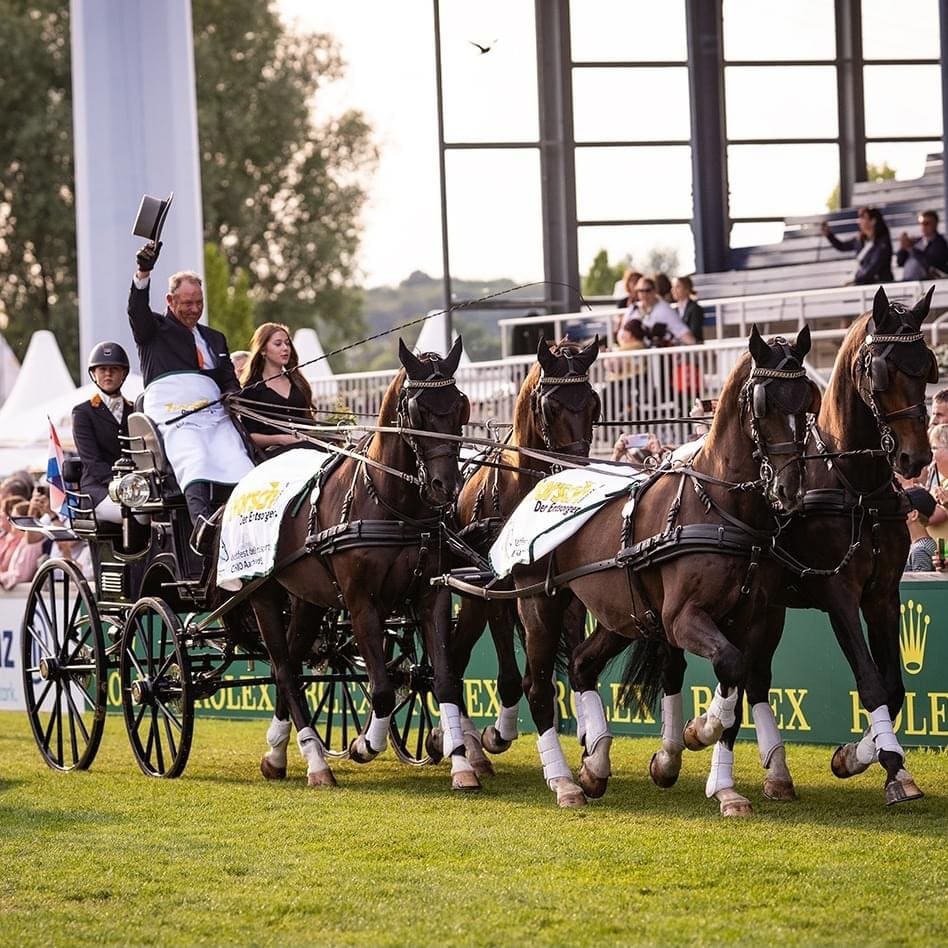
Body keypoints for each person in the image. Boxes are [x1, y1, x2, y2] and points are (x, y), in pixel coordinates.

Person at [128, 241, 254, 540]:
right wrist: (143, 272)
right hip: (175, 416)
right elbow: (137, 310)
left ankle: (248, 525)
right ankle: (203, 531)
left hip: (213, 414)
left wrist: (232, 394)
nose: (194, 309)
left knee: (238, 459)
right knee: (193, 456)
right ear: (170, 300)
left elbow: (228, 380)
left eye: (199, 302)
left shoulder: (215, 338)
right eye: (187, 303)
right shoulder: (153, 331)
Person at [71, 341, 133, 524]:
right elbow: (93, 462)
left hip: (136, 487)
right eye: (102, 369)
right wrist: (123, 485)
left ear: (123, 373)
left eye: (114, 369)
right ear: (94, 374)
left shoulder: (136, 410)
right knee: (134, 512)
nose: (108, 373)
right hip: (99, 489)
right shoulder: (83, 413)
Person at [239, 323, 317, 458]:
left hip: (307, 447)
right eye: (278, 344)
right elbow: (249, 435)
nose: (285, 348)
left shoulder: (299, 383)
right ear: (263, 350)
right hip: (273, 454)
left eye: (287, 343)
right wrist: (280, 439)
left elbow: (309, 421)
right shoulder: (251, 389)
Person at [821, 206, 893, 285]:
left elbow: (873, 267)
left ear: (873, 221)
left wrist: (856, 281)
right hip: (866, 284)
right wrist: (829, 235)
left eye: (863, 217)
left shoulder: (883, 243)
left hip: (881, 284)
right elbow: (842, 246)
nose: (859, 221)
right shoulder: (860, 241)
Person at [624, 277, 696, 346]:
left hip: (661, 353)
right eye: (640, 291)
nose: (644, 294)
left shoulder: (665, 309)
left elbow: (683, 332)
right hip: (635, 353)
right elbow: (621, 334)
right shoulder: (632, 310)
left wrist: (696, 348)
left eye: (647, 290)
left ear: (654, 290)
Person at [897, 210, 948, 281]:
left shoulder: (939, 243)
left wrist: (911, 249)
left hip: (926, 283)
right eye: (921, 223)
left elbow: (932, 263)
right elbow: (900, 262)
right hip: (909, 280)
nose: (923, 226)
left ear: (935, 224)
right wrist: (903, 247)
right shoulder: (917, 242)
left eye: (926, 223)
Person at [904, 486, 938, 572]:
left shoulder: (919, 551)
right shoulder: (927, 544)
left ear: (914, 515)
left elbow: (921, 585)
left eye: (902, 508)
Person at [671, 275, 705, 343]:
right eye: (673, 287)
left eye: (677, 287)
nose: (673, 290)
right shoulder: (673, 310)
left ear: (687, 289)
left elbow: (694, 332)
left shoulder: (695, 309)